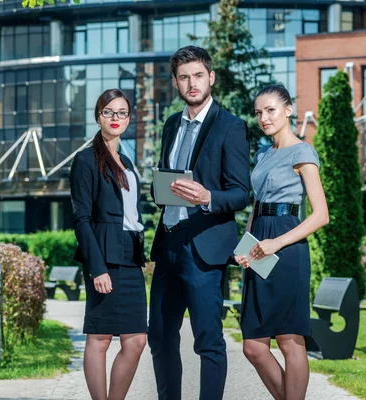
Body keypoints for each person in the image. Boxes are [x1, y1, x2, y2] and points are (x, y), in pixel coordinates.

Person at [148, 45, 250, 400]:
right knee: (159, 337)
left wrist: (207, 197)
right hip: (170, 243)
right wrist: (158, 188)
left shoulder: (231, 126)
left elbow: (241, 192)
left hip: (205, 249)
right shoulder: (171, 125)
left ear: (211, 78)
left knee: (208, 340)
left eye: (198, 76)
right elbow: (164, 177)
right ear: (176, 83)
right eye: (184, 77)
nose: (192, 83)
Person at [234, 84, 329, 400]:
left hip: (287, 247)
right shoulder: (262, 154)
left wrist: (276, 243)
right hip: (259, 243)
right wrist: (246, 248)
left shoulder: (302, 152)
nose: (264, 117)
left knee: (290, 340)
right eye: (259, 112)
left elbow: (320, 215)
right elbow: (257, 204)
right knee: (254, 346)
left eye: (271, 109)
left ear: (288, 110)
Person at [70, 89, 147, 400]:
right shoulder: (86, 160)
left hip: (131, 256)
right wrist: (97, 267)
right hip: (105, 256)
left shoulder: (127, 160)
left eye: (122, 112)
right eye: (108, 112)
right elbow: (82, 220)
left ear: (128, 119)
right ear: (98, 116)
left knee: (137, 340)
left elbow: (131, 214)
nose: (115, 118)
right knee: (100, 338)